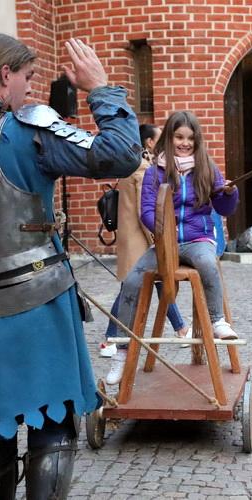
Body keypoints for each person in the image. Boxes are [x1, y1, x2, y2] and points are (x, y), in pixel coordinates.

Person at [0, 34, 142, 500]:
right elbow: (121, 155)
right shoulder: (27, 131)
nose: (31, 88)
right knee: (52, 425)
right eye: (28, 77)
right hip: (37, 298)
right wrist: (101, 89)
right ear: (4, 75)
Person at [105, 111, 240, 383]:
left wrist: (229, 193)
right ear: (169, 138)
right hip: (165, 244)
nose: (185, 143)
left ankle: (217, 321)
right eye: (179, 137)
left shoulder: (207, 168)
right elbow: (146, 211)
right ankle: (122, 348)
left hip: (197, 239)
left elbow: (224, 208)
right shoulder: (155, 171)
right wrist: (164, 230)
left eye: (190, 138)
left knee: (208, 264)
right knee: (132, 281)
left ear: (197, 140)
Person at [103, 124, 190, 363]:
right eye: (160, 138)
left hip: (133, 237)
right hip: (140, 239)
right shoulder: (142, 167)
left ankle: (180, 328)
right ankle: (111, 338)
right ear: (149, 142)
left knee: (155, 283)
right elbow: (146, 209)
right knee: (132, 288)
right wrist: (158, 237)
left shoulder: (132, 164)